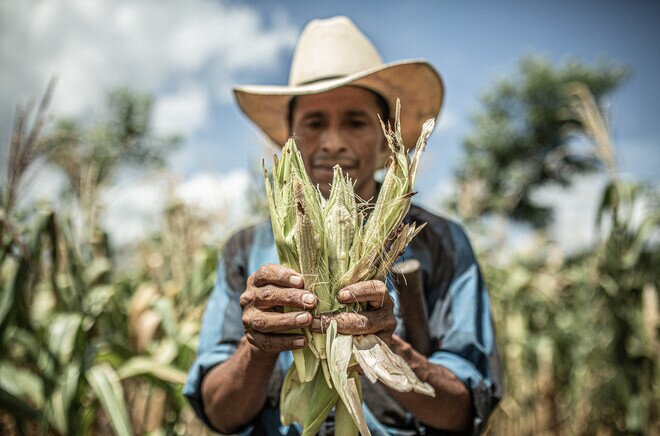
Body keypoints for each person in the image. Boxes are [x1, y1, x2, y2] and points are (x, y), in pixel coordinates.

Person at [184, 16, 503, 435]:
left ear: (387, 140)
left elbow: (466, 409)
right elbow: (219, 412)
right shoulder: (245, 250)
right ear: (289, 140)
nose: (333, 141)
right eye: (315, 123)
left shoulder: (441, 242)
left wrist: (386, 347)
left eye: (355, 121)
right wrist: (258, 346)